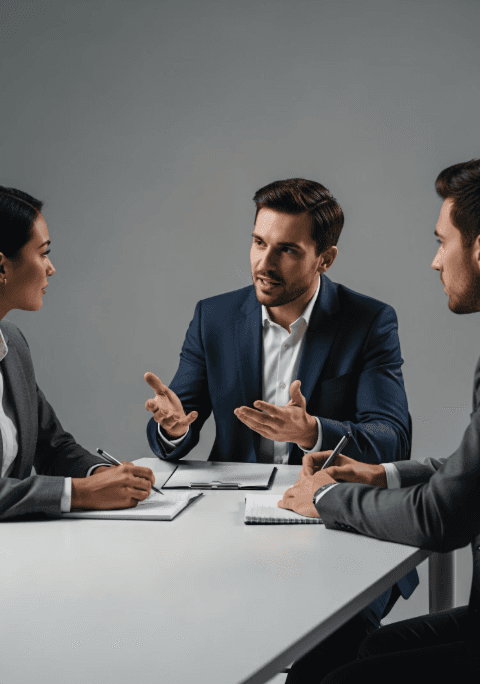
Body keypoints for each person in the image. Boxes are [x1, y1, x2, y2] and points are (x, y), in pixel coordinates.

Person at [143, 177, 418, 658]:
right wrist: (172, 427)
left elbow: (391, 439)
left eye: (287, 250)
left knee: (330, 651)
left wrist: (313, 432)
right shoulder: (215, 317)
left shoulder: (368, 321)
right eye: (258, 242)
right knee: (179, 627)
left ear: (325, 259)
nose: (263, 264)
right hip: (230, 529)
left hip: (338, 526)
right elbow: (177, 415)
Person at [278, 159, 480, 682]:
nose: (436, 261)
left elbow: (442, 518)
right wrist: (374, 474)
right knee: (361, 655)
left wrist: (324, 498)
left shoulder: (369, 320)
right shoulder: (214, 317)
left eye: (443, 242)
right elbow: (468, 470)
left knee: (333, 677)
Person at [0, 185, 156, 519]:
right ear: (1, 268)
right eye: (42, 253)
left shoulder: (12, 345)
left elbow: (52, 446)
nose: (51, 268)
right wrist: (80, 493)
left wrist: (105, 476)